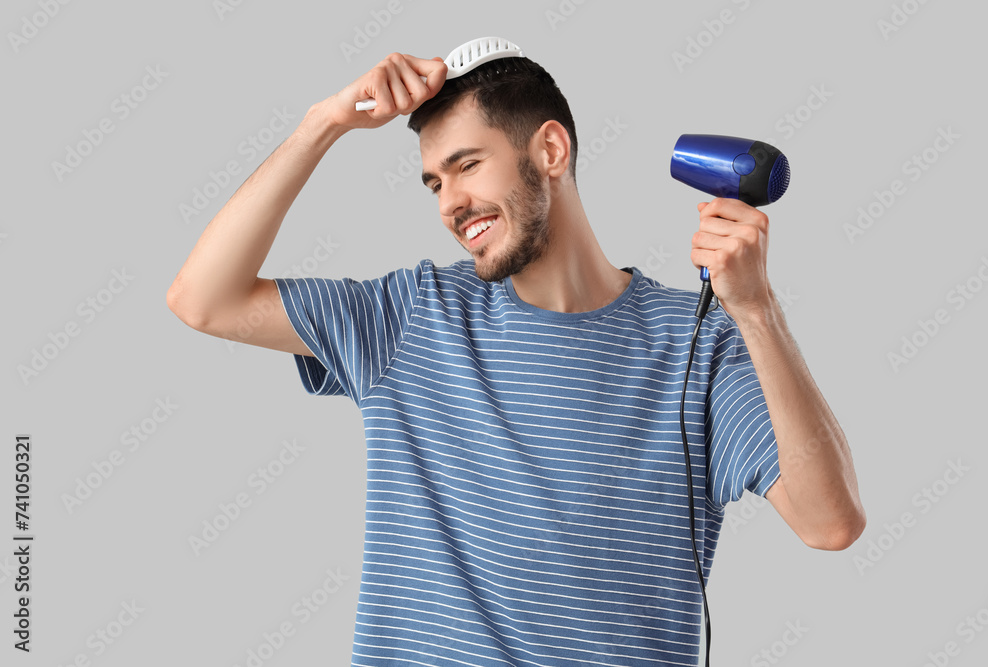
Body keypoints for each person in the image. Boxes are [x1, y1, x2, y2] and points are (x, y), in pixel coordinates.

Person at [167, 49, 865, 666]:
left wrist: (756, 310)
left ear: (551, 150)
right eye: (435, 182)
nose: (451, 203)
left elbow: (829, 520)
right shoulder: (409, 317)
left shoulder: (698, 340)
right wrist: (325, 122)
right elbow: (203, 298)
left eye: (467, 165)